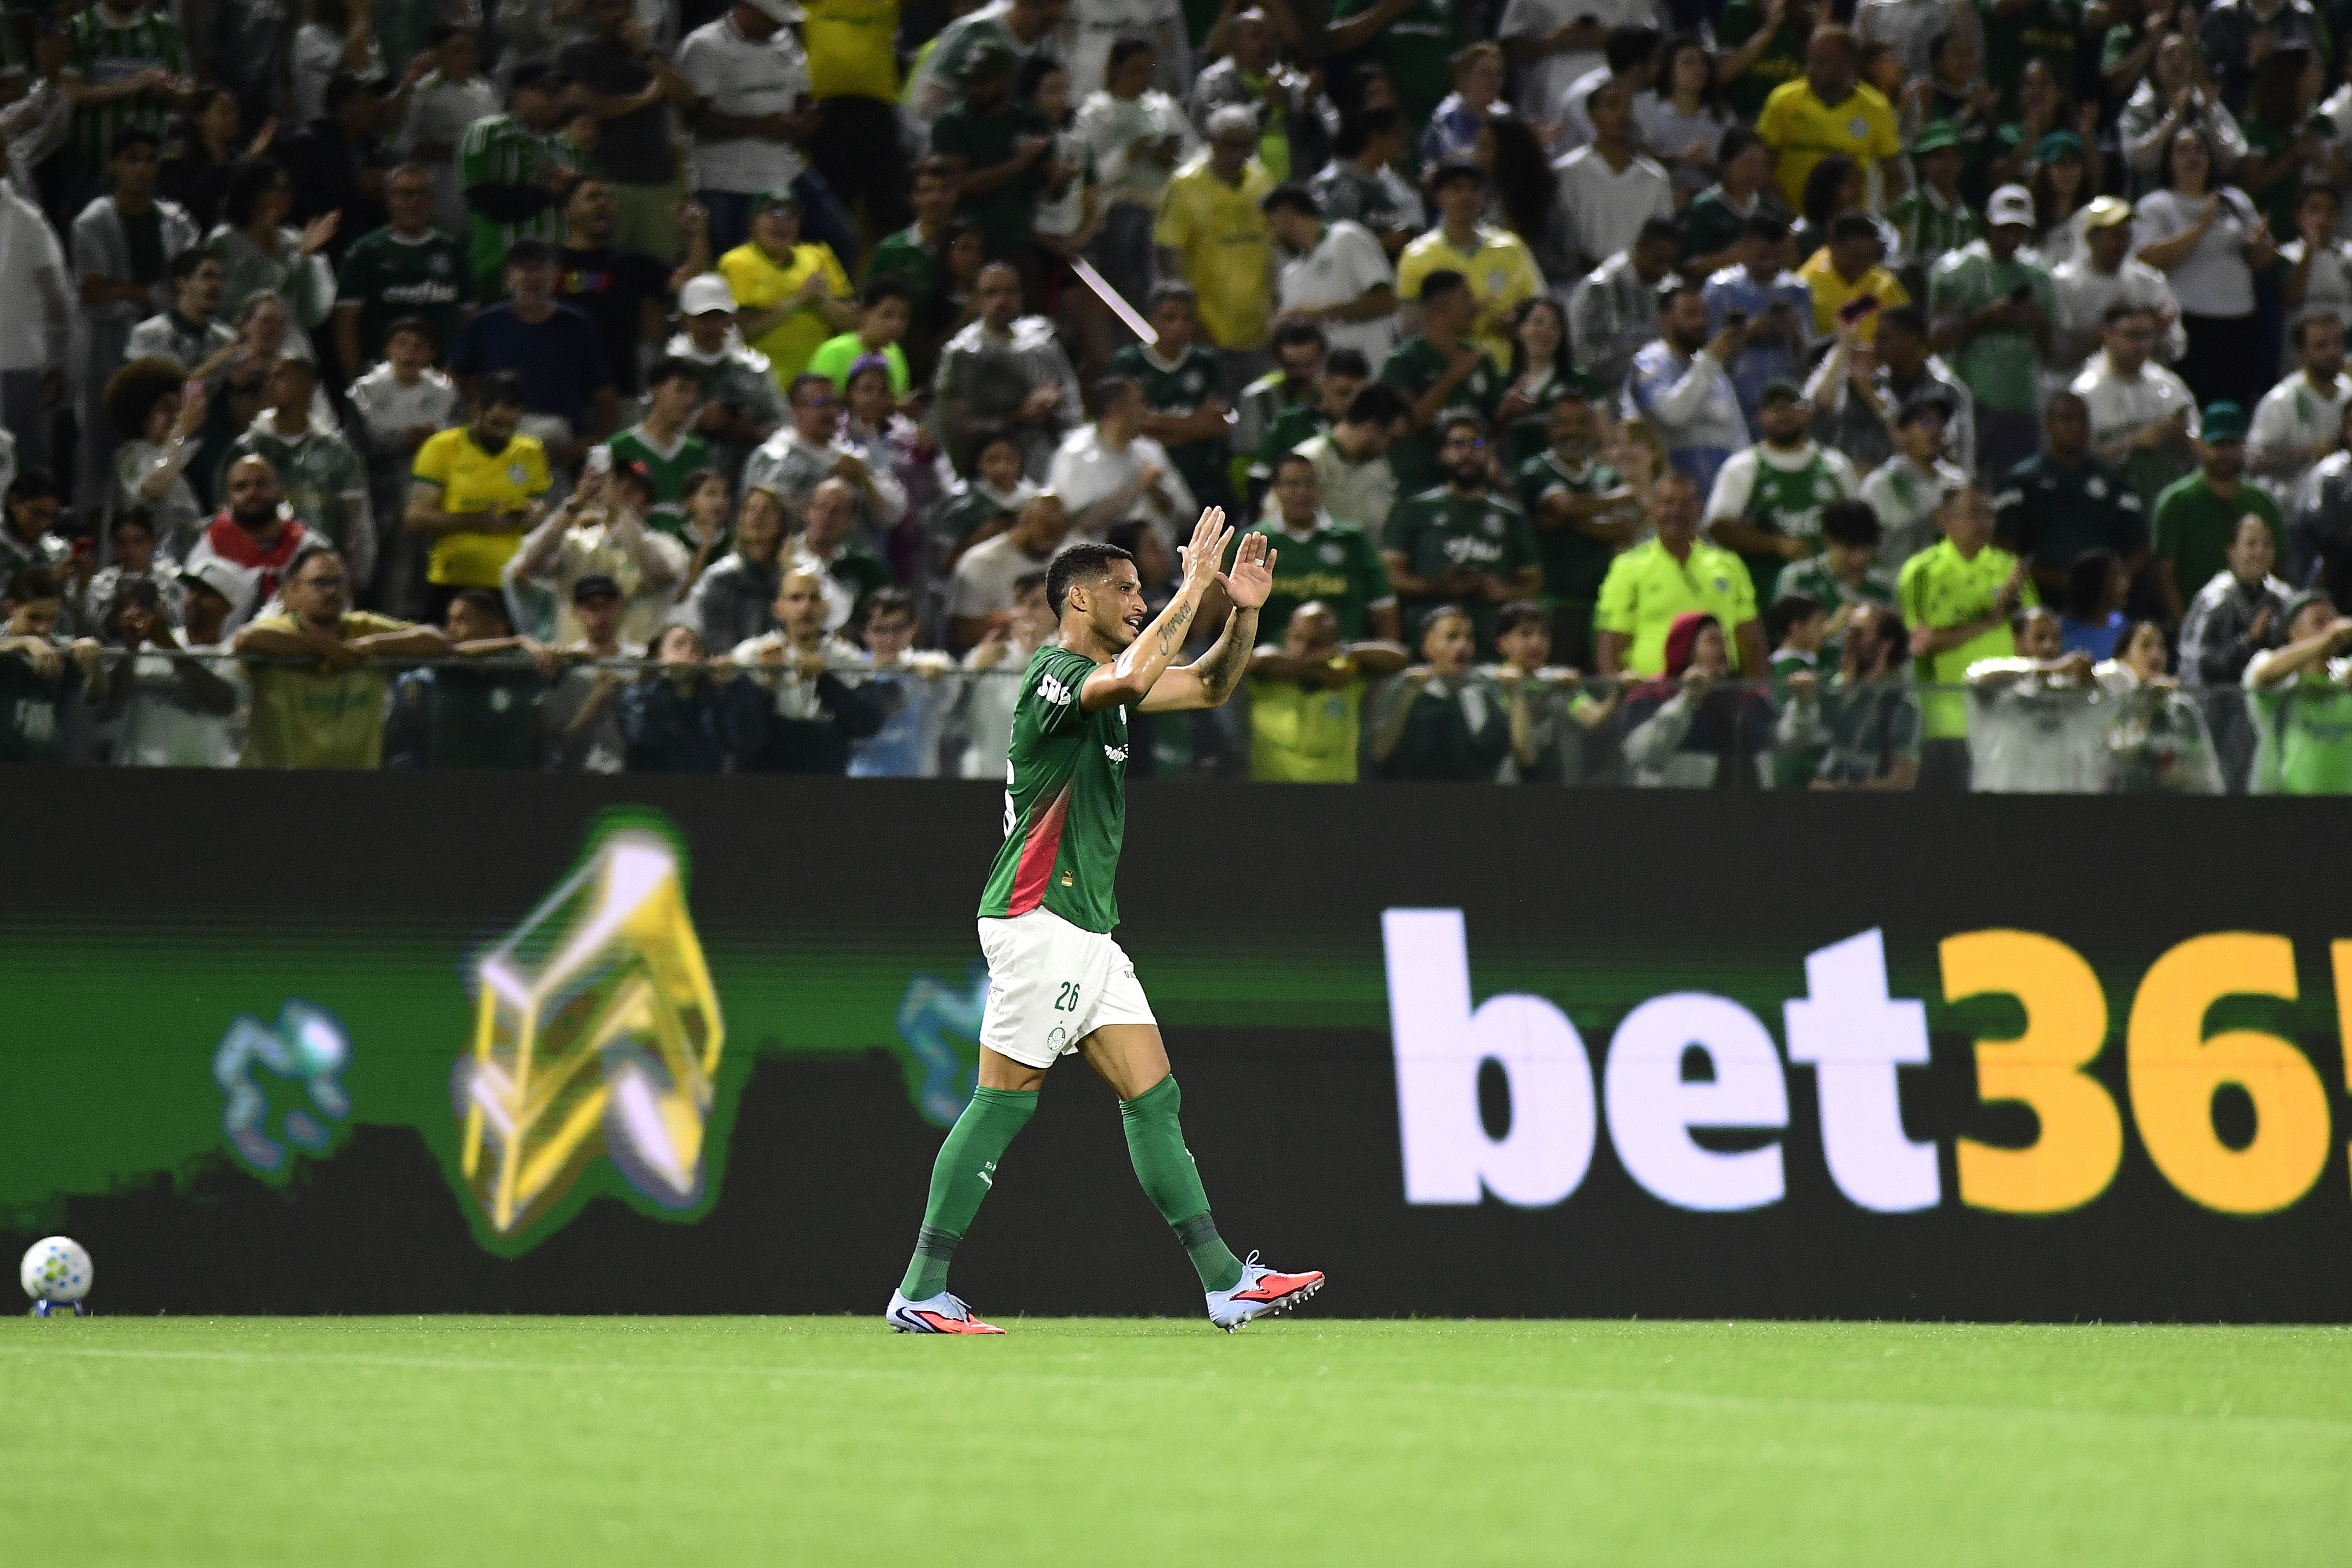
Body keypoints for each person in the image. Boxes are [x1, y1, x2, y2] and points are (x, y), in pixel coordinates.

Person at [882, 511, 1320, 1334]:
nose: (1139, 599)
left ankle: (1225, 1281)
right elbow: (1126, 679)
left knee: (1153, 1095)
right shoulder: (1054, 673)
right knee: (1003, 1099)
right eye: (1125, 588)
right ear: (1078, 598)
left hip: (1086, 929)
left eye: (1144, 589)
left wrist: (1243, 613)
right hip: (1038, 914)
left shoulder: (1115, 680)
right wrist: (1193, 587)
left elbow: (1209, 685)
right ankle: (920, 1290)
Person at [231, 545, 447, 768]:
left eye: (339, 582)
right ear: (294, 588)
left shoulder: (362, 627)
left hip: (354, 778)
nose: (332, 591)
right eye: (320, 583)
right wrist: (326, 648)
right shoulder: (280, 628)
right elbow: (246, 639)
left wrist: (373, 645)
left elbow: (436, 640)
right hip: (279, 778)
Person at [71, 127, 197, 508]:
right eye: (132, 159)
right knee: (102, 439)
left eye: (149, 160)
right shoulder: (93, 222)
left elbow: (189, 279)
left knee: (166, 434)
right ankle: (96, 522)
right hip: (107, 345)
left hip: (166, 345)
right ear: (114, 166)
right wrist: (150, 295)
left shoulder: (175, 220)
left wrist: (126, 290)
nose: (142, 168)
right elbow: (93, 290)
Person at [677, 0, 849, 261]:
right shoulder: (705, 46)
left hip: (785, 171)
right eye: (772, 18)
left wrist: (805, 118)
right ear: (750, 8)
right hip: (725, 181)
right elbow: (693, 119)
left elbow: (802, 95)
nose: (778, 24)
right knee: (732, 261)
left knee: (841, 240)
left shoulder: (785, 41)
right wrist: (759, 126)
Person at [1898, 477, 2033, 788]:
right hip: (1947, 722)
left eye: (1989, 515)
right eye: (1973, 514)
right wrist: (1990, 620)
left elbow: (2033, 635)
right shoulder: (1921, 572)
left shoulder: (2009, 568)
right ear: (1943, 520)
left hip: (2007, 718)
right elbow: (1920, 644)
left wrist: (2013, 609)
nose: (1984, 523)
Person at [2134, 127, 2276, 409]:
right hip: (2190, 320)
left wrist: (2259, 246)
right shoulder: (2156, 205)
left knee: (2236, 403)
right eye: (2183, 151)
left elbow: (2263, 262)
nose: (2193, 157)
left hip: (2240, 319)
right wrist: (2201, 227)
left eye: (2200, 149)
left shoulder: (2235, 201)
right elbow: (2148, 259)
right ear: (2169, 161)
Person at [1929, 185, 2057, 482]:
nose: (2011, 237)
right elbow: (1936, 340)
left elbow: (2051, 352)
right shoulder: (1958, 270)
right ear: (1987, 223)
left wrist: (2038, 322)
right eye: (2004, 228)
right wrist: (1985, 317)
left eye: (2019, 230)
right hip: (1972, 396)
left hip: (2023, 397)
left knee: (2018, 481)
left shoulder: (2040, 276)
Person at [1382, 414, 1541, 651]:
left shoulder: (1511, 515)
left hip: (1493, 641)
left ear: (1489, 451)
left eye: (1477, 443)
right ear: (1441, 453)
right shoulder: (1415, 509)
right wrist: (1436, 587)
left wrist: (1503, 592)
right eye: (1457, 444)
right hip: (1427, 639)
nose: (1467, 452)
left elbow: (1533, 580)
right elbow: (1390, 575)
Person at [404, 371, 550, 624]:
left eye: (510, 426)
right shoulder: (442, 447)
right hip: (453, 582)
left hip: (511, 583)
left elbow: (540, 505)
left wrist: (535, 514)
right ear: (476, 411)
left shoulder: (530, 451)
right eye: (496, 423)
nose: (503, 433)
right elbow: (415, 517)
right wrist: (476, 521)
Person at [1594, 469, 1767, 677]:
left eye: (1685, 504)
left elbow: (1752, 642)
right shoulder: (1627, 567)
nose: (1676, 512)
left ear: (1699, 511)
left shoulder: (1729, 565)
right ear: (1652, 510)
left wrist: (1757, 692)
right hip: (1652, 690)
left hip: (1720, 688)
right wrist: (1621, 693)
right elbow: (1610, 646)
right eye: (1667, 503)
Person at [1704, 376, 1860, 603]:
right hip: (1764, 595)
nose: (1783, 414)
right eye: (1774, 408)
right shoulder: (1743, 467)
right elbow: (1719, 527)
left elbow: (1861, 528)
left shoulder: (1836, 466)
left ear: (1807, 413)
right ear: (1760, 417)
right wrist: (1776, 544)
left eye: (1791, 406)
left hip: (1832, 596)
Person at [1994, 389, 2151, 611]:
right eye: (2067, 419)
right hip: (2040, 603)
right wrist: (2054, 580)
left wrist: (2117, 581)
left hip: (2102, 606)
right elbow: (2002, 547)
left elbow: (2140, 545)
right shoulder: (2021, 482)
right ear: (2048, 426)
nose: (2077, 427)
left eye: (2082, 419)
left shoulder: (2114, 482)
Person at [1514, 391, 1636, 669]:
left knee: (1599, 682)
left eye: (1581, 423)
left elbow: (1625, 529)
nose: (1573, 431)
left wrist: (1572, 519)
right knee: (1554, 681)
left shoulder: (1605, 474)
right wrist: (1614, 500)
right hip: (1552, 602)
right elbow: (1566, 505)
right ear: (1551, 428)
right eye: (1564, 423)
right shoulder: (1535, 471)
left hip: (1602, 603)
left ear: (1592, 428)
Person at [227, 355, 373, 587]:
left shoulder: (336, 452)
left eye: (281, 377)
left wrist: (355, 580)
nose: (270, 384)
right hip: (255, 575)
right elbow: (226, 516)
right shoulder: (247, 449)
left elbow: (357, 523)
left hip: (322, 578)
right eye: (269, 377)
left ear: (307, 385)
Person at [557, 177, 704, 405]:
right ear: (568, 210)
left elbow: (691, 284)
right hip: (560, 392)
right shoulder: (549, 265)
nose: (603, 203)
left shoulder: (630, 263)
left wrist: (696, 236)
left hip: (620, 395)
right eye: (593, 197)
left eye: (609, 198)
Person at [1155, 103, 1276, 374]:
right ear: (1212, 142)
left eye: (1244, 145)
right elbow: (1168, 255)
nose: (1237, 154)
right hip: (1207, 327)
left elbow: (1273, 248)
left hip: (1258, 327)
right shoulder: (1185, 185)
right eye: (1228, 145)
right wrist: (1187, 319)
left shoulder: (1262, 182)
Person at [935, 260, 1084, 477]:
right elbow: (955, 427)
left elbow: (1071, 398)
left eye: (1010, 291)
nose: (1002, 300)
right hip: (995, 469)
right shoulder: (963, 353)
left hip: (1055, 456)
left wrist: (1054, 401)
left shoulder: (1042, 338)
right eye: (991, 293)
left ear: (1021, 295)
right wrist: (1019, 415)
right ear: (976, 299)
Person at [2178, 512, 2294, 789]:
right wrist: (2249, 642)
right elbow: (2200, 667)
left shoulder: (2284, 599)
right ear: (2232, 551)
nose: (2260, 552)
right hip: (2221, 720)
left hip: (2273, 718)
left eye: (2267, 544)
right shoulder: (2213, 600)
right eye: (2251, 544)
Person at [1396, 161, 1541, 372]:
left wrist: (1517, 320)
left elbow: (1536, 303)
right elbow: (1411, 326)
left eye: (1474, 188)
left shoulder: (1510, 247)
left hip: (1508, 366)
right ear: (1439, 197)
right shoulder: (1417, 255)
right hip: (1445, 369)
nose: (1466, 196)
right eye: (1456, 188)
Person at [1242, 598, 1406, 783]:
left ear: (1333, 644)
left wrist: (1346, 652)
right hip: (1271, 789)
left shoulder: (1348, 673)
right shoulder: (1267, 674)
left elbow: (1399, 658)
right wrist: (1318, 671)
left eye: (1316, 644)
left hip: (1336, 789)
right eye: (1297, 638)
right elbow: (1254, 661)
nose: (1303, 649)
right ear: (1287, 635)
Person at [332, 162, 469, 384]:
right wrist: (356, 380)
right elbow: (346, 323)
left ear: (433, 200)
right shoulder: (365, 253)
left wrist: (461, 374)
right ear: (388, 199)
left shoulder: (452, 251)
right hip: (381, 379)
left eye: (422, 193)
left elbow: (467, 319)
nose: (414, 201)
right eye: (405, 194)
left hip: (440, 380)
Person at [1617, 609, 1787, 787]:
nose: (1722, 648)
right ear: (1686, 649)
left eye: (1724, 641)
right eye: (1712, 641)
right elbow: (1641, 753)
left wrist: (1802, 705)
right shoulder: (1653, 693)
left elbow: (1786, 739)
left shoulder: (1745, 695)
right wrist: (1687, 700)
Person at [1245, 449, 1399, 642]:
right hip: (1271, 657)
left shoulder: (1353, 540)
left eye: (1310, 483)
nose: (1302, 492)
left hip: (1345, 656)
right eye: (1293, 484)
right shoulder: (1253, 542)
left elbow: (1383, 608)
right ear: (1275, 490)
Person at [2152, 400, 2283, 626]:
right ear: (2201, 445)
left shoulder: (2261, 501)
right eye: (2218, 445)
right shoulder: (2177, 501)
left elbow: (2279, 565)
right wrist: (2187, 629)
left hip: (2256, 623)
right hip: (2193, 623)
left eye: (2232, 445)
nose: (2225, 454)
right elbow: (2165, 575)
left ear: (2244, 445)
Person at [1755, 26, 1906, 216]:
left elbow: (1894, 174)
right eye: (1810, 60)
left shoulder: (1876, 107)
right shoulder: (1783, 100)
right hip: (1789, 219)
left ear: (1849, 64)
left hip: (1846, 224)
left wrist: (1887, 220)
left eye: (1822, 62)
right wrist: (1782, 211)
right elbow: (1761, 164)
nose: (1811, 69)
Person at [716, 186, 854, 390]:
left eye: (791, 214)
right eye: (773, 212)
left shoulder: (818, 255)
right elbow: (739, 332)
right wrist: (798, 300)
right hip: (763, 386)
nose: (782, 222)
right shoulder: (737, 262)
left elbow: (853, 323)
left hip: (818, 385)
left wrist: (822, 301)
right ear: (752, 222)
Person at [455, 60, 574, 293]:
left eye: (559, 92)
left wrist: (573, 189)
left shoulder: (563, 145)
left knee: (605, 284)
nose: (554, 98)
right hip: (500, 272)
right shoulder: (488, 132)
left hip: (558, 273)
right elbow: (484, 200)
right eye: (545, 90)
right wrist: (547, 192)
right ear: (518, 93)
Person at [1109, 283, 1231, 509]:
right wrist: (1194, 427)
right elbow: (1127, 425)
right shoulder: (1129, 363)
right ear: (1152, 320)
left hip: (1200, 477)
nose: (1179, 327)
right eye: (1170, 318)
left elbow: (1217, 425)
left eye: (1187, 319)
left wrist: (1159, 430)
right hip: (1145, 480)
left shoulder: (1206, 362)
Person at [111, 562, 243, 767]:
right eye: (192, 591)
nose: (193, 599)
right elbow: (112, 700)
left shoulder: (233, 654)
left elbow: (222, 703)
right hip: (139, 767)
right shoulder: (151, 641)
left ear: (228, 606)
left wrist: (166, 644)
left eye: (206, 593)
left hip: (202, 773)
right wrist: (131, 649)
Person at [2071, 300, 2199, 510]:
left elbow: (2198, 455)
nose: (2141, 345)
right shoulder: (2085, 393)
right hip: (2105, 502)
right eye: (2131, 336)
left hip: (2164, 500)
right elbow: (2073, 461)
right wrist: (2133, 443)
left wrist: (2181, 436)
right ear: (2107, 337)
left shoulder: (2170, 386)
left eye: (2147, 336)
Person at [2050, 196, 2188, 389]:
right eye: (2115, 236)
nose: (2122, 244)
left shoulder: (2147, 282)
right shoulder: (2063, 283)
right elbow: (2052, 353)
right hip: (2077, 387)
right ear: (2090, 237)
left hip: (2135, 388)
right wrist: (2099, 339)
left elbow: (2175, 347)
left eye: (2126, 235)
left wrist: (2160, 332)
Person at [1628, 279, 1749, 493]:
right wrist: (1710, 360)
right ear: (1666, 318)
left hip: (1721, 485)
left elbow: (1738, 432)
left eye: (1703, 314)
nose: (1700, 322)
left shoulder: (1713, 369)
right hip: (1673, 489)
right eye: (1690, 315)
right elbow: (1672, 415)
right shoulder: (1650, 362)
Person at [667, 272, 790, 483]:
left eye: (719, 317)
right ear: (685, 319)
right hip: (683, 475)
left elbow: (784, 426)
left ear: (731, 318)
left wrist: (753, 434)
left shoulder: (754, 369)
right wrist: (696, 423)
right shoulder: (670, 369)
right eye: (704, 318)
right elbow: (649, 430)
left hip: (746, 474)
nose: (712, 326)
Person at [1263, 183, 1397, 372]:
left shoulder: (1346, 237)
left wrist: (1322, 313)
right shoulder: (1290, 275)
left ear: (1287, 214)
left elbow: (1387, 302)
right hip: (1326, 380)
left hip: (1371, 367)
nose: (1271, 235)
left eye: (1272, 224)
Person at [1368, 603, 1508, 780]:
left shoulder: (1485, 691)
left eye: (1469, 638)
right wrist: (1409, 695)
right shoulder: (1405, 687)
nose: (1463, 645)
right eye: (1452, 637)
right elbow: (1379, 753)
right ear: (1427, 646)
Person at [1047, 375, 1196, 542]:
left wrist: (1159, 493)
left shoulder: (1150, 451)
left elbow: (1188, 515)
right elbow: (1074, 527)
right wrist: (1137, 486)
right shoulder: (1074, 456)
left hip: (1161, 553)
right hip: (1101, 556)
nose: (1146, 411)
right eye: (1139, 403)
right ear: (1114, 408)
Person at [1552, 78, 1674, 281]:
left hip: (1641, 285)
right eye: (1612, 106)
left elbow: (1664, 242)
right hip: (1582, 282)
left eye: (1627, 107)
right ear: (1592, 115)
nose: (1622, 114)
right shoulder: (1567, 173)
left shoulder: (1655, 178)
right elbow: (1561, 239)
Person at [1703, 213, 1816, 430]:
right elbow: (1707, 353)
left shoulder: (1797, 290)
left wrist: (1795, 333)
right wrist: (1748, 332)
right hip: (1734, 396)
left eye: (1777, 256)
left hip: (1786, 395)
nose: (1770, 264)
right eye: (1763, 256)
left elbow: (1810, 355)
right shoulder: (1720, 289)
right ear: (1745, 248)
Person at [2241, 589, 2352, 793]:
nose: (2331, 629)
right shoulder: (2272, 667)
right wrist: (2329, 639)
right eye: (2319, 622)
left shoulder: (2345, 673)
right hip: (2286, 802)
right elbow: (2264, 676)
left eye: (2334, 621)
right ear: (2293, 632)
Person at [395, 25, 498, 241]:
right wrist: (454, 151)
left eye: (471, 50)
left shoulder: (485, 89)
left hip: (482, 192)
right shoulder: (425, 91)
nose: (467, 58)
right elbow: (402, 145)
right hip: (444, 194)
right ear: (439, 54)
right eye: (458, 50)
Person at [2248, 312, 2351, 508]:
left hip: (2341, 506)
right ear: (2302, 352)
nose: (2332, 352)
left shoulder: (2349, 392)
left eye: (2337, 343)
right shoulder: (2280, 401)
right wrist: (2310, 453)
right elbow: (2253, 462)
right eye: (2321, 346)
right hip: (2290, 506)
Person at [1567, 217, 1681, 393]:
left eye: (1670, 263)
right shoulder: (1599, 289)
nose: (1664, 270)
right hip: (1606, 389)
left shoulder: (1671, 287)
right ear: (1640, 247)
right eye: (1658, 260)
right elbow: (1583, 355)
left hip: (1660, 387)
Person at [604, 358, 714, 538]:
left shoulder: (698, 451)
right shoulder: (618, 447)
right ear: (657, 391)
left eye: (695, 392)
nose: (691, 400)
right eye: (682, 389)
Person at [1284, 380, 1409, 537]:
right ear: (1372, 427)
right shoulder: (1307, 461)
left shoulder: (1380, 468)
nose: (1392, 447)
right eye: (1393, 439)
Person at [683, 481, 790, 651]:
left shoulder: (794, 577)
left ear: (781, 521)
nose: (757, 517)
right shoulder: (720, 577)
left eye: (767, 510)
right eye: (750, 509)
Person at [1307, 105, 1417, 262]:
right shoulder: (1334, 183)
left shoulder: (1389, 179)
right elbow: (1327, 240)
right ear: (1375, 138)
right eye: (1397, 136)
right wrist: (1382, 243)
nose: (1402, 144)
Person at [787, 474, 897, 632]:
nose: (827, 517)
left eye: (837, 511)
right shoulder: (782, 555)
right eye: (821, 507)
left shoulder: (864, 568)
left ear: (851, 521)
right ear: (807, 511)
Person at [1679, 128, 1784, 276]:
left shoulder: (1772, 209)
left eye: (1762, 164)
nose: (1755, 172)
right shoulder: (1703, 208)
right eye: (1748, 163)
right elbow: (1688, 266)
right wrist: (1731, 257)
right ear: (1726, 163)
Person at [1796, 209, 1907, 346]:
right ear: (1833, 246)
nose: (1862, 265)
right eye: (1856, 257)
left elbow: (1905, 330)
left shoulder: (1885, 284)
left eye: (1869, 258)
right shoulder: (1806, 284)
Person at [808, 277, 917, 400]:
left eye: (903, 317)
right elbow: (816, 402)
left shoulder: (896, 354)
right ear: (864, 313)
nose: (896, 324)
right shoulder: (834, 351)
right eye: (887, 315)